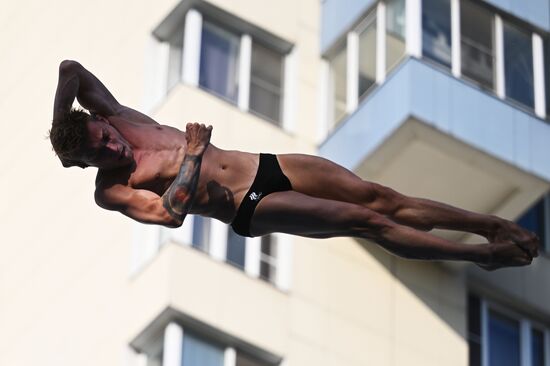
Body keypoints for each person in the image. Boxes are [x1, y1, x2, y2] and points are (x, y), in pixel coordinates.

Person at [49, 60, 539, 271]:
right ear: (86, 165)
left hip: (265, 165)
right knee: (366, 220)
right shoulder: (111, 189)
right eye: (100, 153)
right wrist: (194, 157)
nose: (113, 148)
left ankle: (491, 225)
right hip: (249, 205)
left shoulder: (117, 117)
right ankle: (478, 256)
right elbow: (170, 214)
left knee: (381, 197)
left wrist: (63, 132)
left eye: (105, 139)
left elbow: (70, 69)